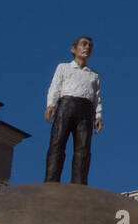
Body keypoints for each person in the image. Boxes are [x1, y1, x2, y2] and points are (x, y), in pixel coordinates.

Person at [43, 36, 103, 185]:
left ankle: (79, 182)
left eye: (90, 46)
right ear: (73, 49)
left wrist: (98, 115)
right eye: (83, 44)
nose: (87, 48)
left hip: (86, 110)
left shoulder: (94, 75)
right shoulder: (63, 67)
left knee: (83, 148)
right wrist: (51, 105)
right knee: (57, 143)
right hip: (66, 105)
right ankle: (51, 179)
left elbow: (97, 97)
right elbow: (55, 86)